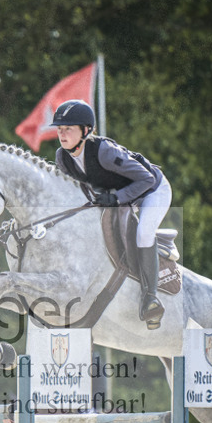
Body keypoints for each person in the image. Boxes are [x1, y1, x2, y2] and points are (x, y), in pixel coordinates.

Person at [50, 99, 172, 328]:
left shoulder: (104, 151)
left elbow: (146, 179)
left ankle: (150, 298)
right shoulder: (62, 158)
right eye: (59, 129)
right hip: (122, 198)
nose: (62, 134)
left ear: (85, 131)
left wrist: (116, 198)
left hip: (152, 191)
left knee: (144, 233)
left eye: (68, 128)